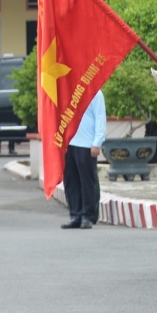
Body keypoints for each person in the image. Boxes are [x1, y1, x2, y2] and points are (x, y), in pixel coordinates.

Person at [61, 90, 105, 229]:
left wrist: (97, 142)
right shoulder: (67, 89)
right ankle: (75, 215)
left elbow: (100, 117)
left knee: (87, 181)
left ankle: (88, 215)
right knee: (70, 181)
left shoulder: (95, 92)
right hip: (69, 142)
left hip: (86, 144)